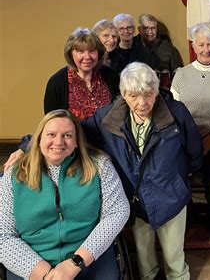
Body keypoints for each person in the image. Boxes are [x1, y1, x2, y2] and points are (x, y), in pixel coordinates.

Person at [81, 62, 202, 280]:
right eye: (134, 96)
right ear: (123, 94)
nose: (142, 103)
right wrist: (26, 148)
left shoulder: (176, 112)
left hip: (170, 196)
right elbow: (69, 131)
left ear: (156, 91)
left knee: (174, 254)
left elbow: (194, 151)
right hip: (135, 199)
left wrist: (180, 180)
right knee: (144, 256)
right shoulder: (107, 118)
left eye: (148, 94)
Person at [0, 109, 129, 280]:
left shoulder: (99, 165)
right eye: (51, 134)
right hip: (31, 260)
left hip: (88, 256)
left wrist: (76, 263)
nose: (58, 142)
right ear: (38, 139)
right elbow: (3, 233)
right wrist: (44, 274)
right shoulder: (15, 173)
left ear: (76, 141)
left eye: (67, 135)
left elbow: (117, 211)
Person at [170, 22, 210, 239]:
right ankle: (187, 221)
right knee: (182, 180)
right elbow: (174, 111)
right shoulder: (181, 75)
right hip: (186, 139)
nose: (206, 49)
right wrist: (191, 137)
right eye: (201, 45)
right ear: (193, 46)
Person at [44, 28, 120, 121]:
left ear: (98, 53)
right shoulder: (57, 82)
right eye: (80, 51)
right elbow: (52, 122)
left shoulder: (111, 76)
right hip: (75, 135)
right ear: (71, 54)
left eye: (92, 51)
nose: (87, 57)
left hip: (109, 135)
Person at [136, 14, 184, 88]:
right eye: (146, 28)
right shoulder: (133, 47)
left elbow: (179, 74)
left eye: (153, 28)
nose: (150, 32)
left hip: (163, 93)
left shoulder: (169, 50)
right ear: (140, 29)